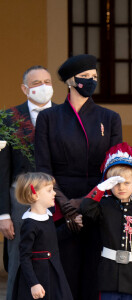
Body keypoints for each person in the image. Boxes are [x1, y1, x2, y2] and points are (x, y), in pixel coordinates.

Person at [34, 54, 123, 300]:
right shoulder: (48, 118)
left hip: (98, 205)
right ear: (71, 81)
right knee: (64, 276)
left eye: (94, 77)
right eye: (86, 77)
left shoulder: (110, 118)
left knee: (94, 278)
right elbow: (43, 168)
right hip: (60, 207)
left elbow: (114, 170)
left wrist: (85, 203)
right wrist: (66, 205)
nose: (92, 81)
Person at [0, 65, 55, 300]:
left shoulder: (64, 115)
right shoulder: (8, 118)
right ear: (25, 89)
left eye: (47, 81)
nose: (43, 87)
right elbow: (2, 171)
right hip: (19, 199)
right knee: (18, 261)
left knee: (56, 259)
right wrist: (3, 214)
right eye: (36, 83)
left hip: (56, 197)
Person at [78, 142, 132, 300]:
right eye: (116, 183)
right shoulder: (103, 205)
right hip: (108, 276)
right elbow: (85, 209)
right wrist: (99, 189)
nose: (121, 187)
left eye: (127, 183)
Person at [12, 172, 73, 300]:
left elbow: (51, 238)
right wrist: (33, 283)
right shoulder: (30, 224)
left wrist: (70, 226)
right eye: (49, 190)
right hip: (38, 277)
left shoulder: (48, 216)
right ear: (35, 195)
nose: (54, 193)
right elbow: (24, 257)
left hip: (54, 274)